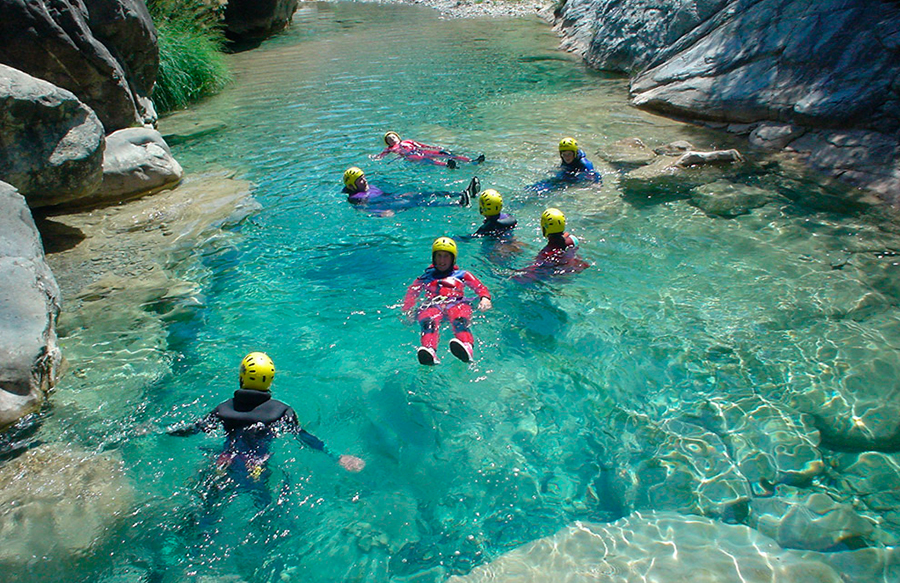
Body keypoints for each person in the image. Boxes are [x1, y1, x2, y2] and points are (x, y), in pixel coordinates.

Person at [168, 352, 365, 489]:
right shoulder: (281, 411)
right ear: (270, 380)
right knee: (264, 507)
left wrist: (159, 431)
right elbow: (304, 438)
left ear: (242, 376)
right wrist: (338, 456)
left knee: (208, 509)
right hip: (256, 465)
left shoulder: (223, 409)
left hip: (225, 460)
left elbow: (192, 430)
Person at [403, 237, 492, 365]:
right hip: (433, 305)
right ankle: (429, 351)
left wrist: (485, 298)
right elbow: (412, 292)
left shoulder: (462, 275)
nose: (442, 260)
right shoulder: (426, 277)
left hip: (456, 303)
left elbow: (480, 287)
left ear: (452, 258)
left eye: (446, 256)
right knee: (428, 322)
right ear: (434, 258)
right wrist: (408, 309)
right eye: (438, 256)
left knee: (459, 320)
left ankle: (467, 347)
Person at [342, 166, 478, 216]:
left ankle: (462, 193)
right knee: (421, 203)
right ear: (352, 185)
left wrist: (400, 195)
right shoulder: (355, 198)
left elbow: (384, 194)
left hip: (394, 198)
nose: (364, 180)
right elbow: (363, 209)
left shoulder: (369, 186)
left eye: (363, 177)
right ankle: (458, 204)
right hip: (389, 206)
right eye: (360, 180)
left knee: (423, 194)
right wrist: (380, 213)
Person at [515, 208, 589, 282]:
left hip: (559, 275)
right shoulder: (573, 239)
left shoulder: (546, 252)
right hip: (575, 267)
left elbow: (537, 267)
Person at [528, 137, 602, 194]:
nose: (567, 157)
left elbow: (594, 176)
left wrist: (595, 184)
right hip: (568, 174)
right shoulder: (566, 159)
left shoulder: (585, 163)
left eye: (569, 154)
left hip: (576, 179)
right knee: (544, 183)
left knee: (552, 187)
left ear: (575, 153)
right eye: (564, 154)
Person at [374, 131, 485, 169]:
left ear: (398, 137)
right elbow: (382, 154)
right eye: (389, 139)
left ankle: (471, 161)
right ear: (388, 143)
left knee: (444, 153)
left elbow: (422, 145)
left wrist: (435, 148)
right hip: (410, 156)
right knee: (427, 160)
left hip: (419, 150)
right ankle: (447, 166)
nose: (392, 139)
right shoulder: (389, 149)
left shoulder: (408, 141)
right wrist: (377, 157)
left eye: (393, 137)